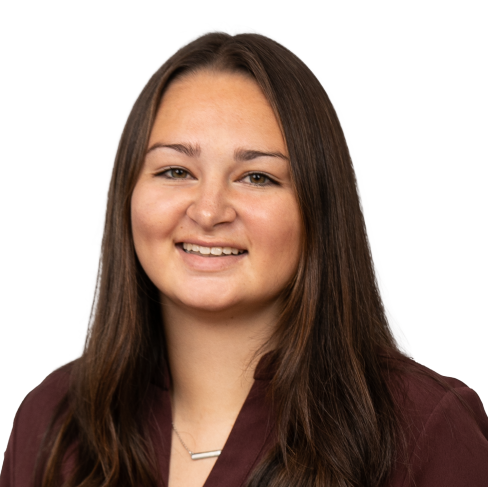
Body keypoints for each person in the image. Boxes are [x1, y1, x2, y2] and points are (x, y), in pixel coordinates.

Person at [1, 29, 487, 487]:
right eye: (175, 170)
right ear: (126, 194)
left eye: (257, 177)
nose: (209, 210)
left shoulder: (423, 426)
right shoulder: (51, 421)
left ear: (318, 207)